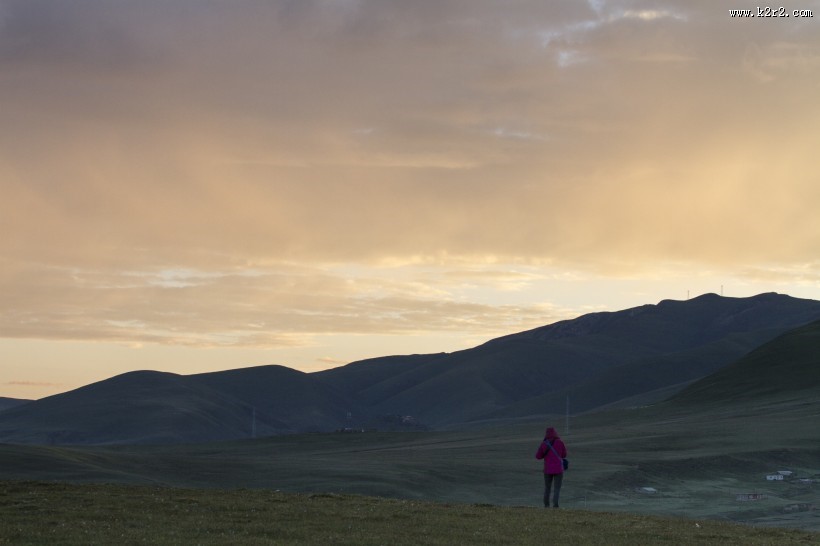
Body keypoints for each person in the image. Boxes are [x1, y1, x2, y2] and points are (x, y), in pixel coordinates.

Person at [535, 426, 567, 508]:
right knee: (557, 488)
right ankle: (555, 505)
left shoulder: (544, 443)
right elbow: (564, 455)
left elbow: (538, 456)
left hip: (547, 470)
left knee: (547, 488)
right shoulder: (560, 442)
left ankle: (546, 505)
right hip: (558, 470)